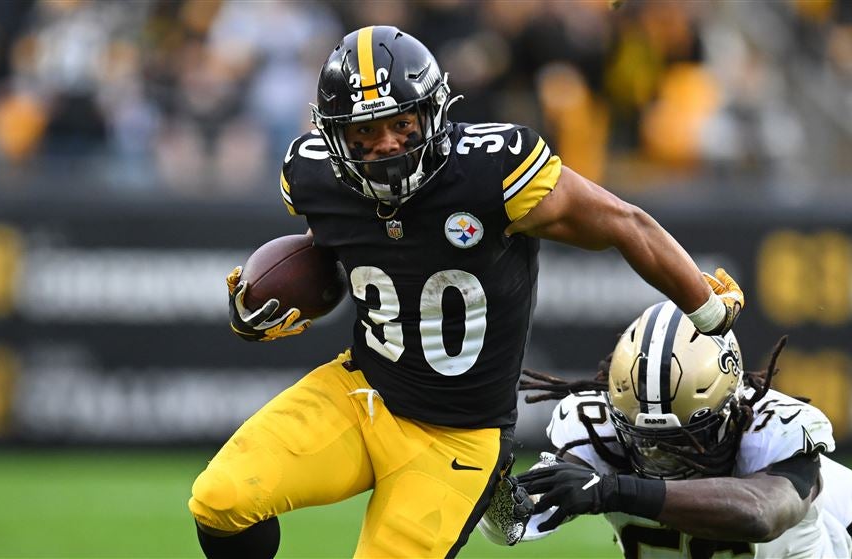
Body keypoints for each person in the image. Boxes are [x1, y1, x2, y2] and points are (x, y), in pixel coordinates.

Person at [187, 26, 746, 559]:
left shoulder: (491, 171)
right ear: (336, 136)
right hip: (362, 393)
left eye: (401, 124)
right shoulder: (313, 175)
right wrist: (268, 305)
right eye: (363, 132)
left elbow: (624, 222)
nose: (386, 144)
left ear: (432, 113)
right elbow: (331, 253)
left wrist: (705, 304)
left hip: (456, 438)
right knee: (220, 500)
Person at [486, 301, 852, 558]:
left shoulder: (774, 430)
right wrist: (494, 488)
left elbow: (760, 514)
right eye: (644, 441)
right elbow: (513, 524)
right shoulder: (597, 427)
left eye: (684, 441)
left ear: (731, 409)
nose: (660, 459)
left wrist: (612, 491)